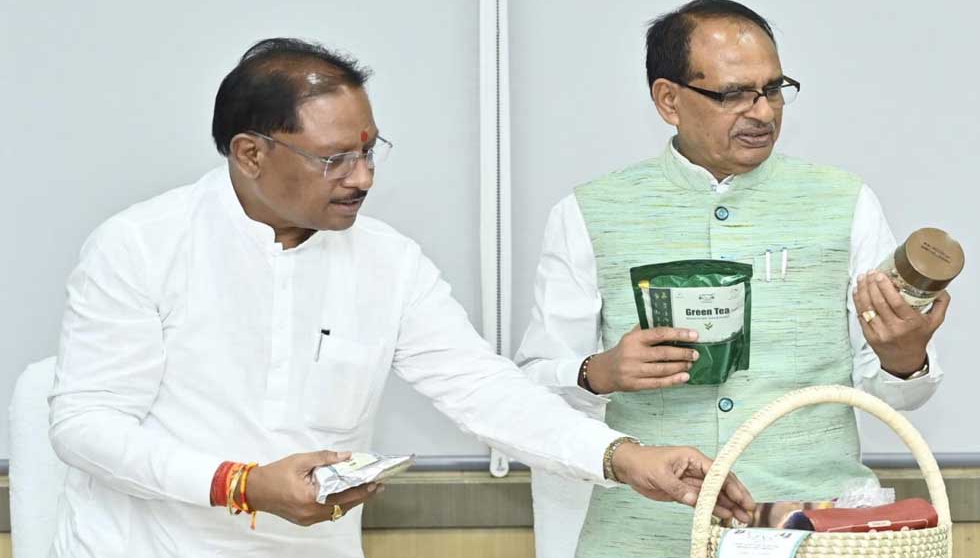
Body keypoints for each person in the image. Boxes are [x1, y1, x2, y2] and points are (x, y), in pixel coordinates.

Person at [46, 37, 753, 558]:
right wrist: (241, 483)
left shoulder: (387, 261)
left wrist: (623, 456)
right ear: (250, 153)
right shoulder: (140, 245)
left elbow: (482, 390)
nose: (362, 178)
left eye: (369, 150)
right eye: (334, 159)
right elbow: (85, 424)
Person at [515, 0, 949, 557]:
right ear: (668, 100)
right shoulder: (587, 213)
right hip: (641, 535)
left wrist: (904, 359)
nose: (762, 112)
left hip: (814, 535)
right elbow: (526, 394)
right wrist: (599, 371)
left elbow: (894, 391)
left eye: (773, 89)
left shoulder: (845, 204)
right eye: (734, 94)